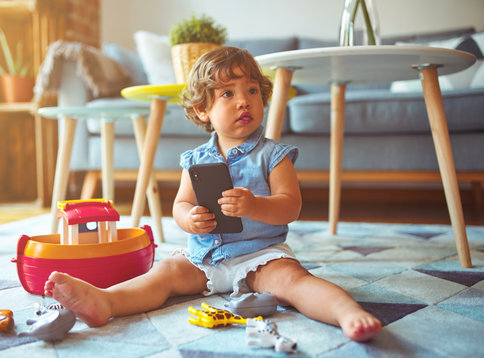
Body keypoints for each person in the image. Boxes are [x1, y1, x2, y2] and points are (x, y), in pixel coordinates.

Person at [44, 47, 382, 342]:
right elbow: (179, 205)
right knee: (163, 275)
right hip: (204, 258)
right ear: (203, 110)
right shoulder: (195, 160)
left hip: (260, 256)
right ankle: (105, 301)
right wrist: (189, 220)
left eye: (252, 90)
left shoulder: (273, 155)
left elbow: (290, 207)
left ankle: (344, 311)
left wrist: (255, 205)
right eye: (228, 94)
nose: (244, 101)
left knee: (294, 282)